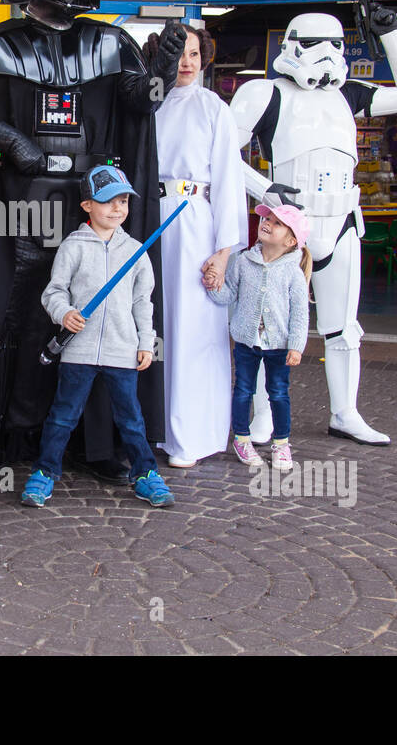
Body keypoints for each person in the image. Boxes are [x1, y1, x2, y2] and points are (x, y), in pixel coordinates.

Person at [0, 0, 183, 479]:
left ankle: (93, 443)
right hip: (17, 203)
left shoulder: (111, 42)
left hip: (88, 200)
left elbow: (137, 105)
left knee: (98, 315)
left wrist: (162, 73)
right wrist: (7, 141)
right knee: (13, 318)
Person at [231, 9, 397, 447]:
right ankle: (263, 414)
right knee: (267, 323)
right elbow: (222, 151)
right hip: (286, 225)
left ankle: (345, 412)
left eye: (335, 44)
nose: (326, 53)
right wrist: (267, 190)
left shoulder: (349, 95)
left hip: (341, 221)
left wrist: (392, 32)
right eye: (315, 42)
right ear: (292, 43)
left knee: (342, 326)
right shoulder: (264, 93)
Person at [21, 165, 174, 509]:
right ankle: (44, 472)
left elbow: (143, 302)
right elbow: (54, 292)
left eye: (123, 201)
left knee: (131, 419)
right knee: (63, 416)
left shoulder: (136, 250)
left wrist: (145, 342)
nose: (118, 209)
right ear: (87, 205)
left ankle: (146, 474)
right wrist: (64, 313)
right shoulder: (73, 246)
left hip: (122, 351)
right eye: (108, 202)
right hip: (79, 350)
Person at [140, 25, 247, 468]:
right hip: (148, 220)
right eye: (177, 54)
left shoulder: (213, 109)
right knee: (151, 322)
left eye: (193, 54)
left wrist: (223, 252)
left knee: (193, 330)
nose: (186, 63)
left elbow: (228, 180)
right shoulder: (148, 105)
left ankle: (192, 435)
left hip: (194, 224)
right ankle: (151, 427)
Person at [210, 204, 311, 472]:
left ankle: (281, 443)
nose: (267, 222)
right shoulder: (243, 261)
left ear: (291, 241)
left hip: (279, 346)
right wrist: (212, 284)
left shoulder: (293, 272)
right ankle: (242, 439)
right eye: (267, 218)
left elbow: (300, 313)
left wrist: (296, 346)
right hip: (246, 342)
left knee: (278, 393)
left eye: (277, 223)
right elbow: (229, 293)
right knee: (243, 390)